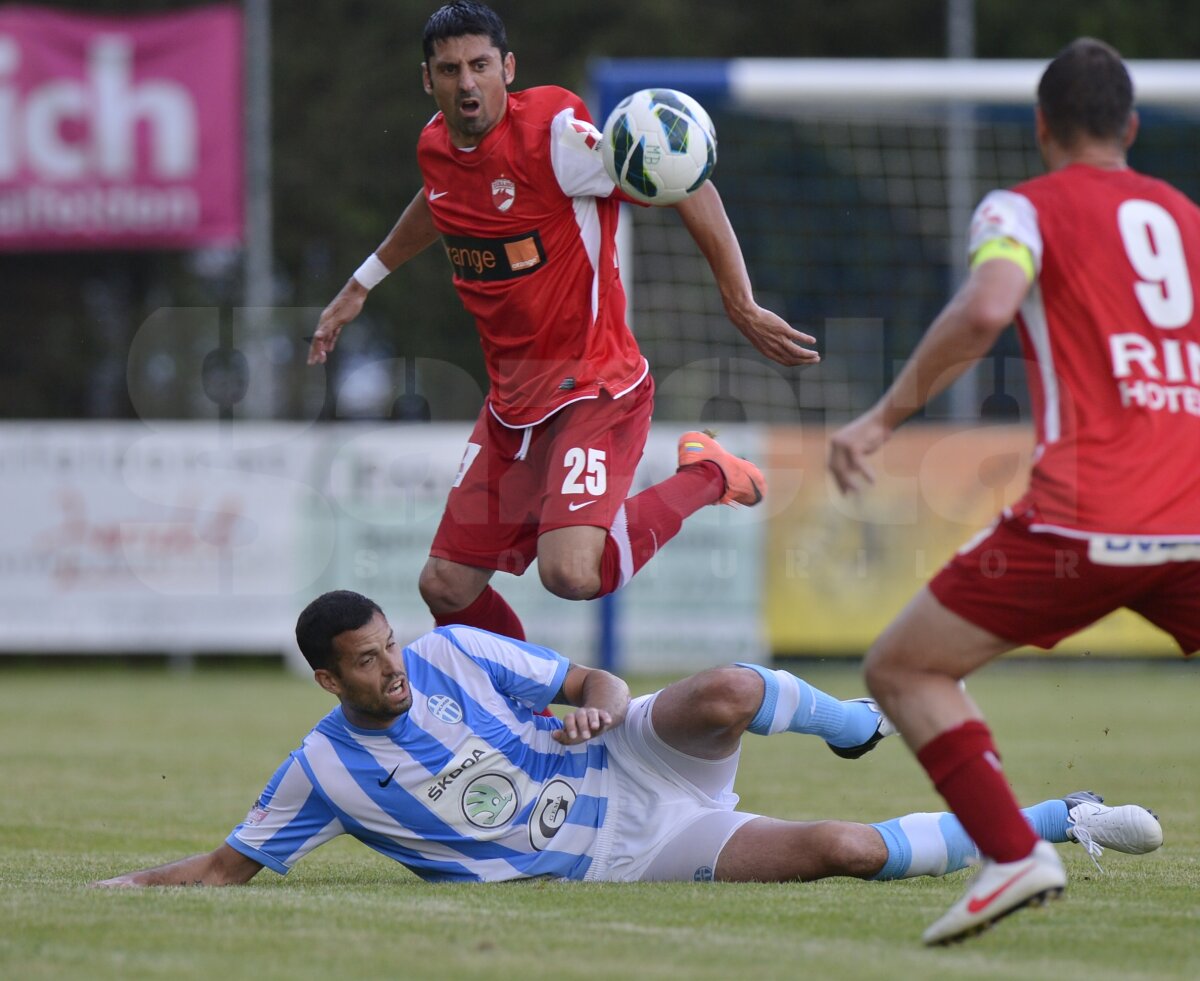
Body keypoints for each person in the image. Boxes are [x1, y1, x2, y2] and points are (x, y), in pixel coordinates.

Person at [827, 37, 1197, 945]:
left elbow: (989, 307)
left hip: (1083, 521)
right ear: (1133, 128)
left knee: (902, 667)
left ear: (1042, 129)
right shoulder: (1187, 219)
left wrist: (880, 419)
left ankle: (1013, 852)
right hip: (1193, 520)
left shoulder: (1022, 208)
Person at [307, 2, 817, 641]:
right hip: (512, 408)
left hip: (595, 387)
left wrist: (738, 300)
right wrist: (362, 283)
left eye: (481, 66)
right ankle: (537, 717)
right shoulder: (435, 145)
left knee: (571, 573)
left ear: (507, 67)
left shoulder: (556, 137)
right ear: (428, 80)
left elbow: (681, 173)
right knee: (445, 587)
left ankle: (711, 474)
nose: (467, 83)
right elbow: (439, 202)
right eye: (450, 69)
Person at [91, 590, 1161, 890]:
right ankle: (1061, 822)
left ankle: (849, 724)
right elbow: (227, 867)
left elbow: (590, 680)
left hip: (620, 756)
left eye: (390, 645)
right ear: (327, 679)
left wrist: (601, 704)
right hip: (624, 856)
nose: (393, 667)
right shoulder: (323, 770)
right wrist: (119, 890)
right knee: (843, 851)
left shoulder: (457, 652)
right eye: (367, 663)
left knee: (733, 686)